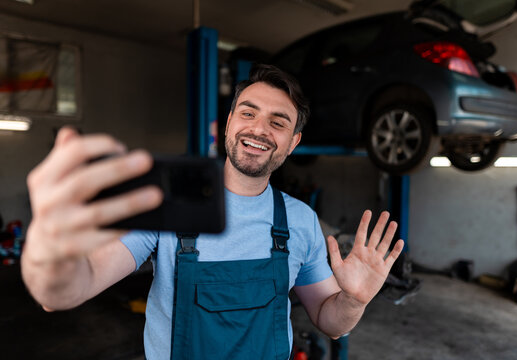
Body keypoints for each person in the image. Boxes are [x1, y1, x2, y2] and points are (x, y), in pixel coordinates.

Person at [22, 64, 404, 359]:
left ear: (292, 143)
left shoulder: (300, 220)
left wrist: (354, 300)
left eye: (278, 122)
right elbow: (66, 292)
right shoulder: (167, 206)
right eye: (248, 113)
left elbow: (330, 321)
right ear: (227, 125)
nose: (259, 129)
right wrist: (50, 248)